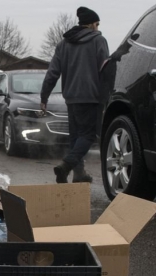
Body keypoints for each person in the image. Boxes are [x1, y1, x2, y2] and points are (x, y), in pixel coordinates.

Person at [40, 6, 109, 184]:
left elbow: (52, 73)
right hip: (92, 97)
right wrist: (107, 96)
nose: (98, 27)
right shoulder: (98, 41)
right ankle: (66, 166)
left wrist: (44, 97)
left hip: (71, 98)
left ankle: (79, 174)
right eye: (97, 24)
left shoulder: (64, 44)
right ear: (92, 24)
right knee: (88, 136)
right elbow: (105, 71)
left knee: (76, 137)